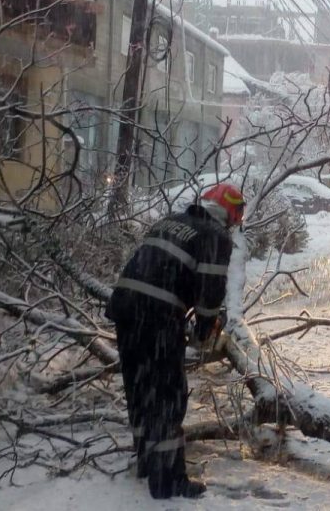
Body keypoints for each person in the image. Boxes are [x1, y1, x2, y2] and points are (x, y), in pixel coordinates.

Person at [106, 183, 244, 499]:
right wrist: (205, 329)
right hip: (156, 316)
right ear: (228, 213)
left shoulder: (170, 221)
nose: (234, 225)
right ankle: (167, 481)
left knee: (140, 389)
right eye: (236, 217)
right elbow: (210, 294)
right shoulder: (214, 236)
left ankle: (146, 461)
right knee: (167, 396)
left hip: (125, 309)